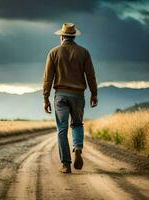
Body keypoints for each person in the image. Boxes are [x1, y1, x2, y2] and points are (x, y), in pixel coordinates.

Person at [43, 22, 98, 173]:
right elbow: (91, 75)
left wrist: (46, 98)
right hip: (78, 95)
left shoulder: (53, 52)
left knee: (62, 129)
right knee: (77, 124)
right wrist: (94, 94)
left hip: (60, 96)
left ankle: (66, 164)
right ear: (73, 36)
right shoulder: (84, 52)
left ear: (62, 37)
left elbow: (48, 78)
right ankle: (78, 148)